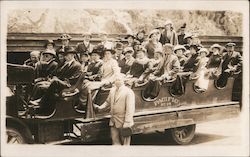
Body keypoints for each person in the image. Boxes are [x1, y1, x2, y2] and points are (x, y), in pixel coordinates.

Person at [30, 46, 82, 115]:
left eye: (67, 55)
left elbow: (73, 79)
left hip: (70, 85)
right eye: (65, 55)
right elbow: (57, 73)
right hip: (61, 83)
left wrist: (58, 79)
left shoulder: (77, 65)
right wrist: (53, 78)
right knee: (39, 85)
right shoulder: (64, 63)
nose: (65, 57)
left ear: (72, 55)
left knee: (55, 82)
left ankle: (41, 102)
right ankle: (34, 105)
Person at [94, 76, 135, 145]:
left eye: (119, 79)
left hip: (123, 121)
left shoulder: (128, 92)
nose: (117, 81)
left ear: (123, 81)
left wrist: (127, 122)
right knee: (115, 141)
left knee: (125, 143)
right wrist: (100, 108)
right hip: (113, 120)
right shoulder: (112, 90)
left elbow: (130, 109)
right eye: (116, 80)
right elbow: (108, 102)